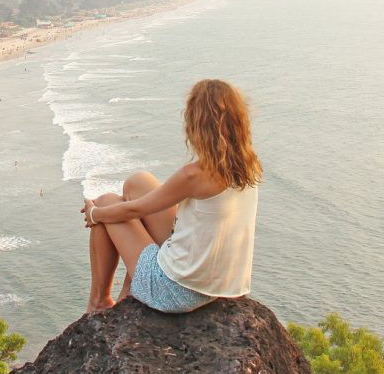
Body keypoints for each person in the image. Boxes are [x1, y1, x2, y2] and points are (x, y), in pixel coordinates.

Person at [80, 79, 261, 314]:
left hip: (175, 291)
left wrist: (94, 213)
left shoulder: (195, 175)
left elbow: (134, 211)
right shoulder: (250, 166)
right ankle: (127, 294)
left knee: (107, 203)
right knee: (139, 181)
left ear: (197, 125)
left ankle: (99, 301)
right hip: (221, 285)